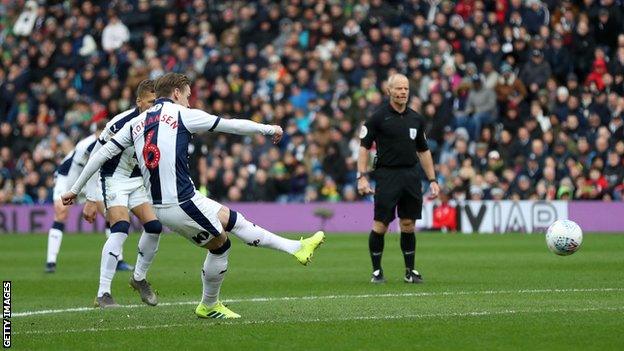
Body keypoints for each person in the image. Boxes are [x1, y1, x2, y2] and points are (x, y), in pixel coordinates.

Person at [63, 73, 325, 319]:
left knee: (234, 220)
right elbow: (230, 125)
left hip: (174, 198)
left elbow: (101, 153)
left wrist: (75, 189)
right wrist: (268, 129)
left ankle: (296, 248)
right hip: (178, 202)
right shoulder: (181, 115)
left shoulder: (136, 122)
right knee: (221, 245)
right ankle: (209, 305)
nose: (189, 101)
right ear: (176, 93)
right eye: (187, 95)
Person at [82, 79, 163, 308]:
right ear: (139, 102)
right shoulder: (120, 123)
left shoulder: (159, 124)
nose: (155, 107)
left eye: (158, 102)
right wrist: (90, 198)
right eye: (151, 102)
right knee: (120, 227)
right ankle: (103, 293)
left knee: (155, 227)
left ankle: (138, 278)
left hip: (137, 181)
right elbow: (96, 156)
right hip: (113, 179)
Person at [357, 73, 440, 284]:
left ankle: (410, 271)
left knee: (408, 224)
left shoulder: (416, 119)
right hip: (387, 175)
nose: (403, 92)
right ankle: (377, 271)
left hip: (411, 175)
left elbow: (423, 151)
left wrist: (432, 179)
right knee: (381, 225)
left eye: (406, 89)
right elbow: (364, 148)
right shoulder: (377, 118)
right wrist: (362, 177)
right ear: (389, 91)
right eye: (399, 89)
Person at [45, 121, 133, 273]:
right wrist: (71, 193)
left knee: (110, 215)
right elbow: (74, 170)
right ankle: (50, 262)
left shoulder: (116, 143)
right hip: (68, 178)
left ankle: (118, 260)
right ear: (96, 133)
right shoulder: (84, 146)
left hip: (91, 181)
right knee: (61, 213)